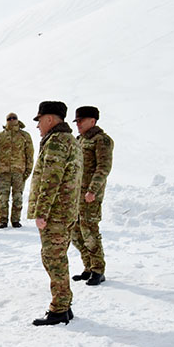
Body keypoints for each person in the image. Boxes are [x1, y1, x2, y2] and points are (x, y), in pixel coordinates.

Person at [27, 100, 83, 326]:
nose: (38, 125)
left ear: (49, 118)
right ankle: (64, 304)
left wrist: (41, 212)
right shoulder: (69, 140)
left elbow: (51, 179)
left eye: (39, 120)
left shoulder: (57, 142)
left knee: (53, 258)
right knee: (56, 257)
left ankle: (59, 308)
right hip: (65, 211)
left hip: (55, 213)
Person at [71, 105, 114, 286]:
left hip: (90, 196)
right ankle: (88, 267)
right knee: (75, 232)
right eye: (77, 121)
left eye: (81, 121)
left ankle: (98, 269)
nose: (78, 124)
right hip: (75, 195)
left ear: (92, 121)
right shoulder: (78, 140)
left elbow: (103, 168)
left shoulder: (101, 140)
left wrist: (92, 190)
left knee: (89, 231)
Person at [0, 112, 34, 228]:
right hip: (3, 173)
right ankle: (3, 221)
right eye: (9, 118)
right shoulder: (0, 136)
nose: (12, 120)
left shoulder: (25, 136)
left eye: (14, 118)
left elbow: (29, 155)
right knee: (3, 198)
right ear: (6, 121)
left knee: (17, 197)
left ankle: (16, 220)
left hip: (19, 172)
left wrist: (28, 170)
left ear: (18, 120)